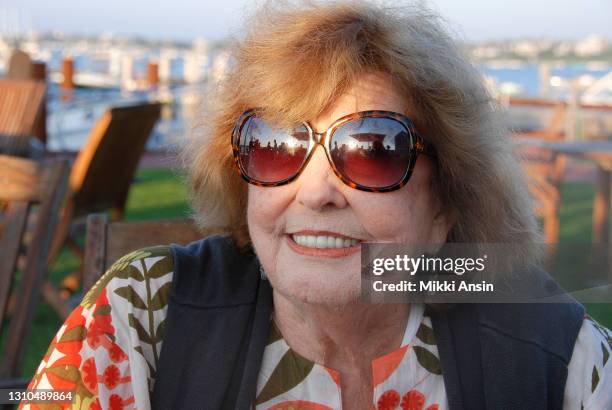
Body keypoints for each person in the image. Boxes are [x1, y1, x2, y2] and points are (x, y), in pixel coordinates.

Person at [22, 1, 611, 409]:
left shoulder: (554, 353)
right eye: (276, 146)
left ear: (445, 202)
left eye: (373, 149)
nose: (316, 191)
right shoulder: (139, 317)